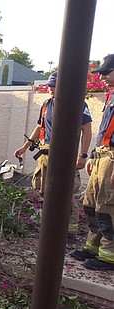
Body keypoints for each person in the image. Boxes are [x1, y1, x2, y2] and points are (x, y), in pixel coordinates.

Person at [13, 71, 93, 234]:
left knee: (65, 194)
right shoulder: (46, 105)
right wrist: (25, 147)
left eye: (54, 85)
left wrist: (83, 155)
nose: (50, 88)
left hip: (64, 155)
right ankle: (49, 227)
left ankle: (69, 231)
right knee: (44, 192)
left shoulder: (77, 104)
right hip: (45, 155)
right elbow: (39, 127)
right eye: (49, 85)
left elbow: (87, 130)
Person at [70, 54, 114, 271]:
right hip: (102, 158)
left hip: (113, 160)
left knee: (108, 208)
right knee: (91, 205)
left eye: (107, 72)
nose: (103, 76)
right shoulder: (111, 95)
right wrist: (93, 155)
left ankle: (109, 257)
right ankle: (93, 247)